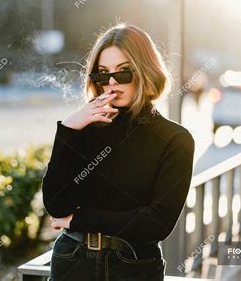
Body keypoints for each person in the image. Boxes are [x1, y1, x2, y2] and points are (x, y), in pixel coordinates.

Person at [42, 23, 195, 281]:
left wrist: (79, 220)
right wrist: (68, 129)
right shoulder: (84, 128)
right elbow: (57, 204)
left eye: (123, 73)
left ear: (146, 71)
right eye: (102, 74)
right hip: (72, 259)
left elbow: (157, 223)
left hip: (133, 265)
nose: (111, 83)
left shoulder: (175, 139)